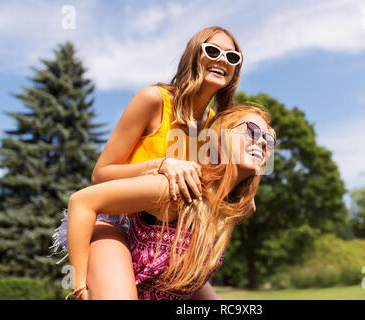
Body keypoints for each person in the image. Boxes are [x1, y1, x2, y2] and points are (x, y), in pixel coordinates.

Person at [51, 26, 243, 299]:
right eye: (212, 51)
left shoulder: (215, 128)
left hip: (165, 236)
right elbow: (100, 175)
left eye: (232, 57)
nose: (222, 59)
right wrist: (161, 164)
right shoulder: (154, 100)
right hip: (117, 221)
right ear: (193, 56)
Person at [66, 105, 276, 300]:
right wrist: (79, 284)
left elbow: (186, 272)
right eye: (252, 130)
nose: (263, 141)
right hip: (111, 253)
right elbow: (81, 201)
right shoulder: (181, 185)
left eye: (270, 138)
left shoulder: (234, 207)